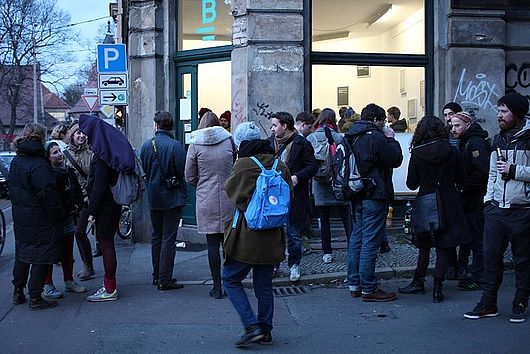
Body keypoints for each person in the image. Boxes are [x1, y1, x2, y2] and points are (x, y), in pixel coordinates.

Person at [223, 122, 293, 347]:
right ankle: (265, 330)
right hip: (273, 235)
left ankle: (251, 326)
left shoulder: (243, 165)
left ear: (240, 143)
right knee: (264, 285)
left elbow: (234, 195)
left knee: (230, 279)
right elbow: (288, 195)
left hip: (247, 235)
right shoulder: (279, 165)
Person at [464, 92, 530, 323]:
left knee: (522, 261)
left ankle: (520, 303)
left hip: (523, 210)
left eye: (504, 111)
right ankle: (488, 303)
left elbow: (509, 171)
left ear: (517, 113)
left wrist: (515, 171)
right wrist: (488, 202)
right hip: (496, 210)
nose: (499, 115)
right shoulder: (498, 138)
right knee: (490, 258)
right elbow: (493, 172)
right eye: (499, 111)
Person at [398, 116, 468, 303]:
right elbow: (462, 179)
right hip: (448, 201)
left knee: (424, 246)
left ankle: (418, 281)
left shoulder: (418, 152)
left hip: (426, 202)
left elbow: (411, 183)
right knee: (444, 247)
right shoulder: (451, 151)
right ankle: (438, 288)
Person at [345, 103, 403, 302]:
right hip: (374, 193)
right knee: (370, 241)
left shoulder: (351, 135)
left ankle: (354, 284)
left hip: (356, 193)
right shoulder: (376, 135)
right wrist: (391, 140)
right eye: (383, 121)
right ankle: (369, 288)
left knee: (357, 239)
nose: (384, 124)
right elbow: (395, 159)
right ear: (377, 120)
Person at [80, 114, 136, 302]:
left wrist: (92, 212)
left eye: (86, 132)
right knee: (107, 245)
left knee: (106, 245)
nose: (85, 136)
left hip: (105, 207)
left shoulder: (102, 155)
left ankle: (109, 288)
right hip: (112, 205)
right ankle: (109, 285)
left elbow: (99, 186)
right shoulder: (109, 151)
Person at [10, 123, 65, 310]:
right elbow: (47, 193)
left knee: (23, 254)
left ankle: (18, 291)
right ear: (42, 137)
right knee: (41, 256)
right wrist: (59, 212)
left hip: (21, 217)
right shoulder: (39, 163)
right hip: (40, 218)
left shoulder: (17, 160)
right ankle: (35, 296)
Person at [185, 112, 235, 298]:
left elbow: (189, 175)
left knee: (212, 245)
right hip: (228, 196)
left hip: (207, 199)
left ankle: (217, 286)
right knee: (229, 244)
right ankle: (231, 283)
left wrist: (202, 185)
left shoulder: (195, 144)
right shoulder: (229, 141)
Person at [141, 111, 188, 291]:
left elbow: (143, 168)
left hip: (153, 196)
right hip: (172, 196)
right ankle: (164, 278)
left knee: (157, 236)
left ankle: (156, 275)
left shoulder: (146, 145)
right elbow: (183, 170)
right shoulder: (176, 146)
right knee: (169, 237)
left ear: (156, 125)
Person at [269, 112, 318, 282]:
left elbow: (312, 166)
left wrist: (298, 176)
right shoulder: (270, 142)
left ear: (285, 126)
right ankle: (273, 265)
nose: (272, 128)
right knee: (273, 232)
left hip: (295, 195)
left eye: (275, 125)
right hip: (273, 195)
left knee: (293, 233)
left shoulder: (301, 143)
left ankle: (294, 265)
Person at [450, 111, 490, 291]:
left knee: (477, 239)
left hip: (475, 199)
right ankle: (476, 273)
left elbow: (481, 172)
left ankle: (480, 276)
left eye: (457, 125)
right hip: (470, 198)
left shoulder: (474, 143)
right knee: (473, 238)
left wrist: (465, 189)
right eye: (452, 125)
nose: (453, 129)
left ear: (467, 124)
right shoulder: (467, 141)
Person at [306, 108, 352, 264]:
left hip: (319, 184)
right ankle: (352, 249)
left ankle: (327, 253)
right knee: (346, 218)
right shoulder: (339, 137)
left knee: (324, 220)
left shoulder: (311, 138)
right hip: (337, 183)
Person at [42, 141, 87, 299]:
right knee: (51, 252)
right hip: (52, 220)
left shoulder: (68, 171)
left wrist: (79, 206)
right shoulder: (45, 174)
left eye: (59, 151)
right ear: (47, 157)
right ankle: (47, 284)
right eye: (54, 152)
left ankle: (69, 281)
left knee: (68, 251)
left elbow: (77, 192)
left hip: (68, 217)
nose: (59, 155)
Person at [64, 123, 95, 280]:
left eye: (83, 133)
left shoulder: (92, 152)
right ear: (72, 136)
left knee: (80, 232)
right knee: (77, 232)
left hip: (90, 197)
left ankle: (88, 266)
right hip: (75, 200)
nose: (81, 136)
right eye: (78, 133)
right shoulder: (65, 154)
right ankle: (87, 265)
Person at [441, 101, 468, 278]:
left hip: (463, 187)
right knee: (449, 228)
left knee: (465, 229)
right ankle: (451, 263)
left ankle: (463, 263)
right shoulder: (444, 135)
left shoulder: (465, 137)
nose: (448, 118)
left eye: (450, 114)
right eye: (445, 115)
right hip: (449, 188)